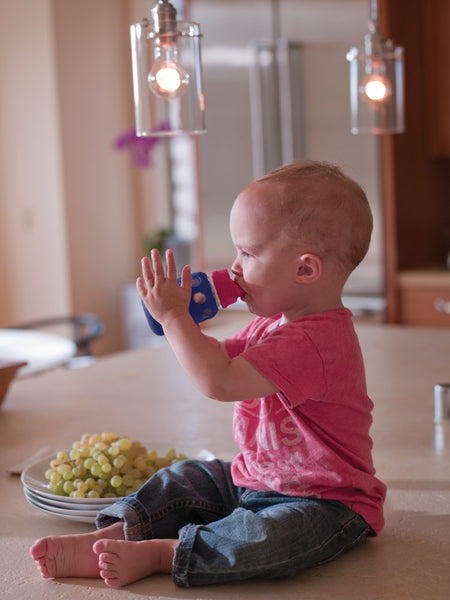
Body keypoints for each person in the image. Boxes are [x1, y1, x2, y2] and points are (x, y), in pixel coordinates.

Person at [30, 160, 386, 588]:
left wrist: (177, 318)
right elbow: (217, 358)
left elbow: (220, 381)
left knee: (269, 538)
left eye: (248, 253)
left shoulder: (316, 340)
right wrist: (183, 324)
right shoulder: (274, 323)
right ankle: (115, 534)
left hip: (325, 501)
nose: (234, 267)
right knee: (185, 477)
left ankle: (164, 553)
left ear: (305, 270)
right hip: (255, 478)